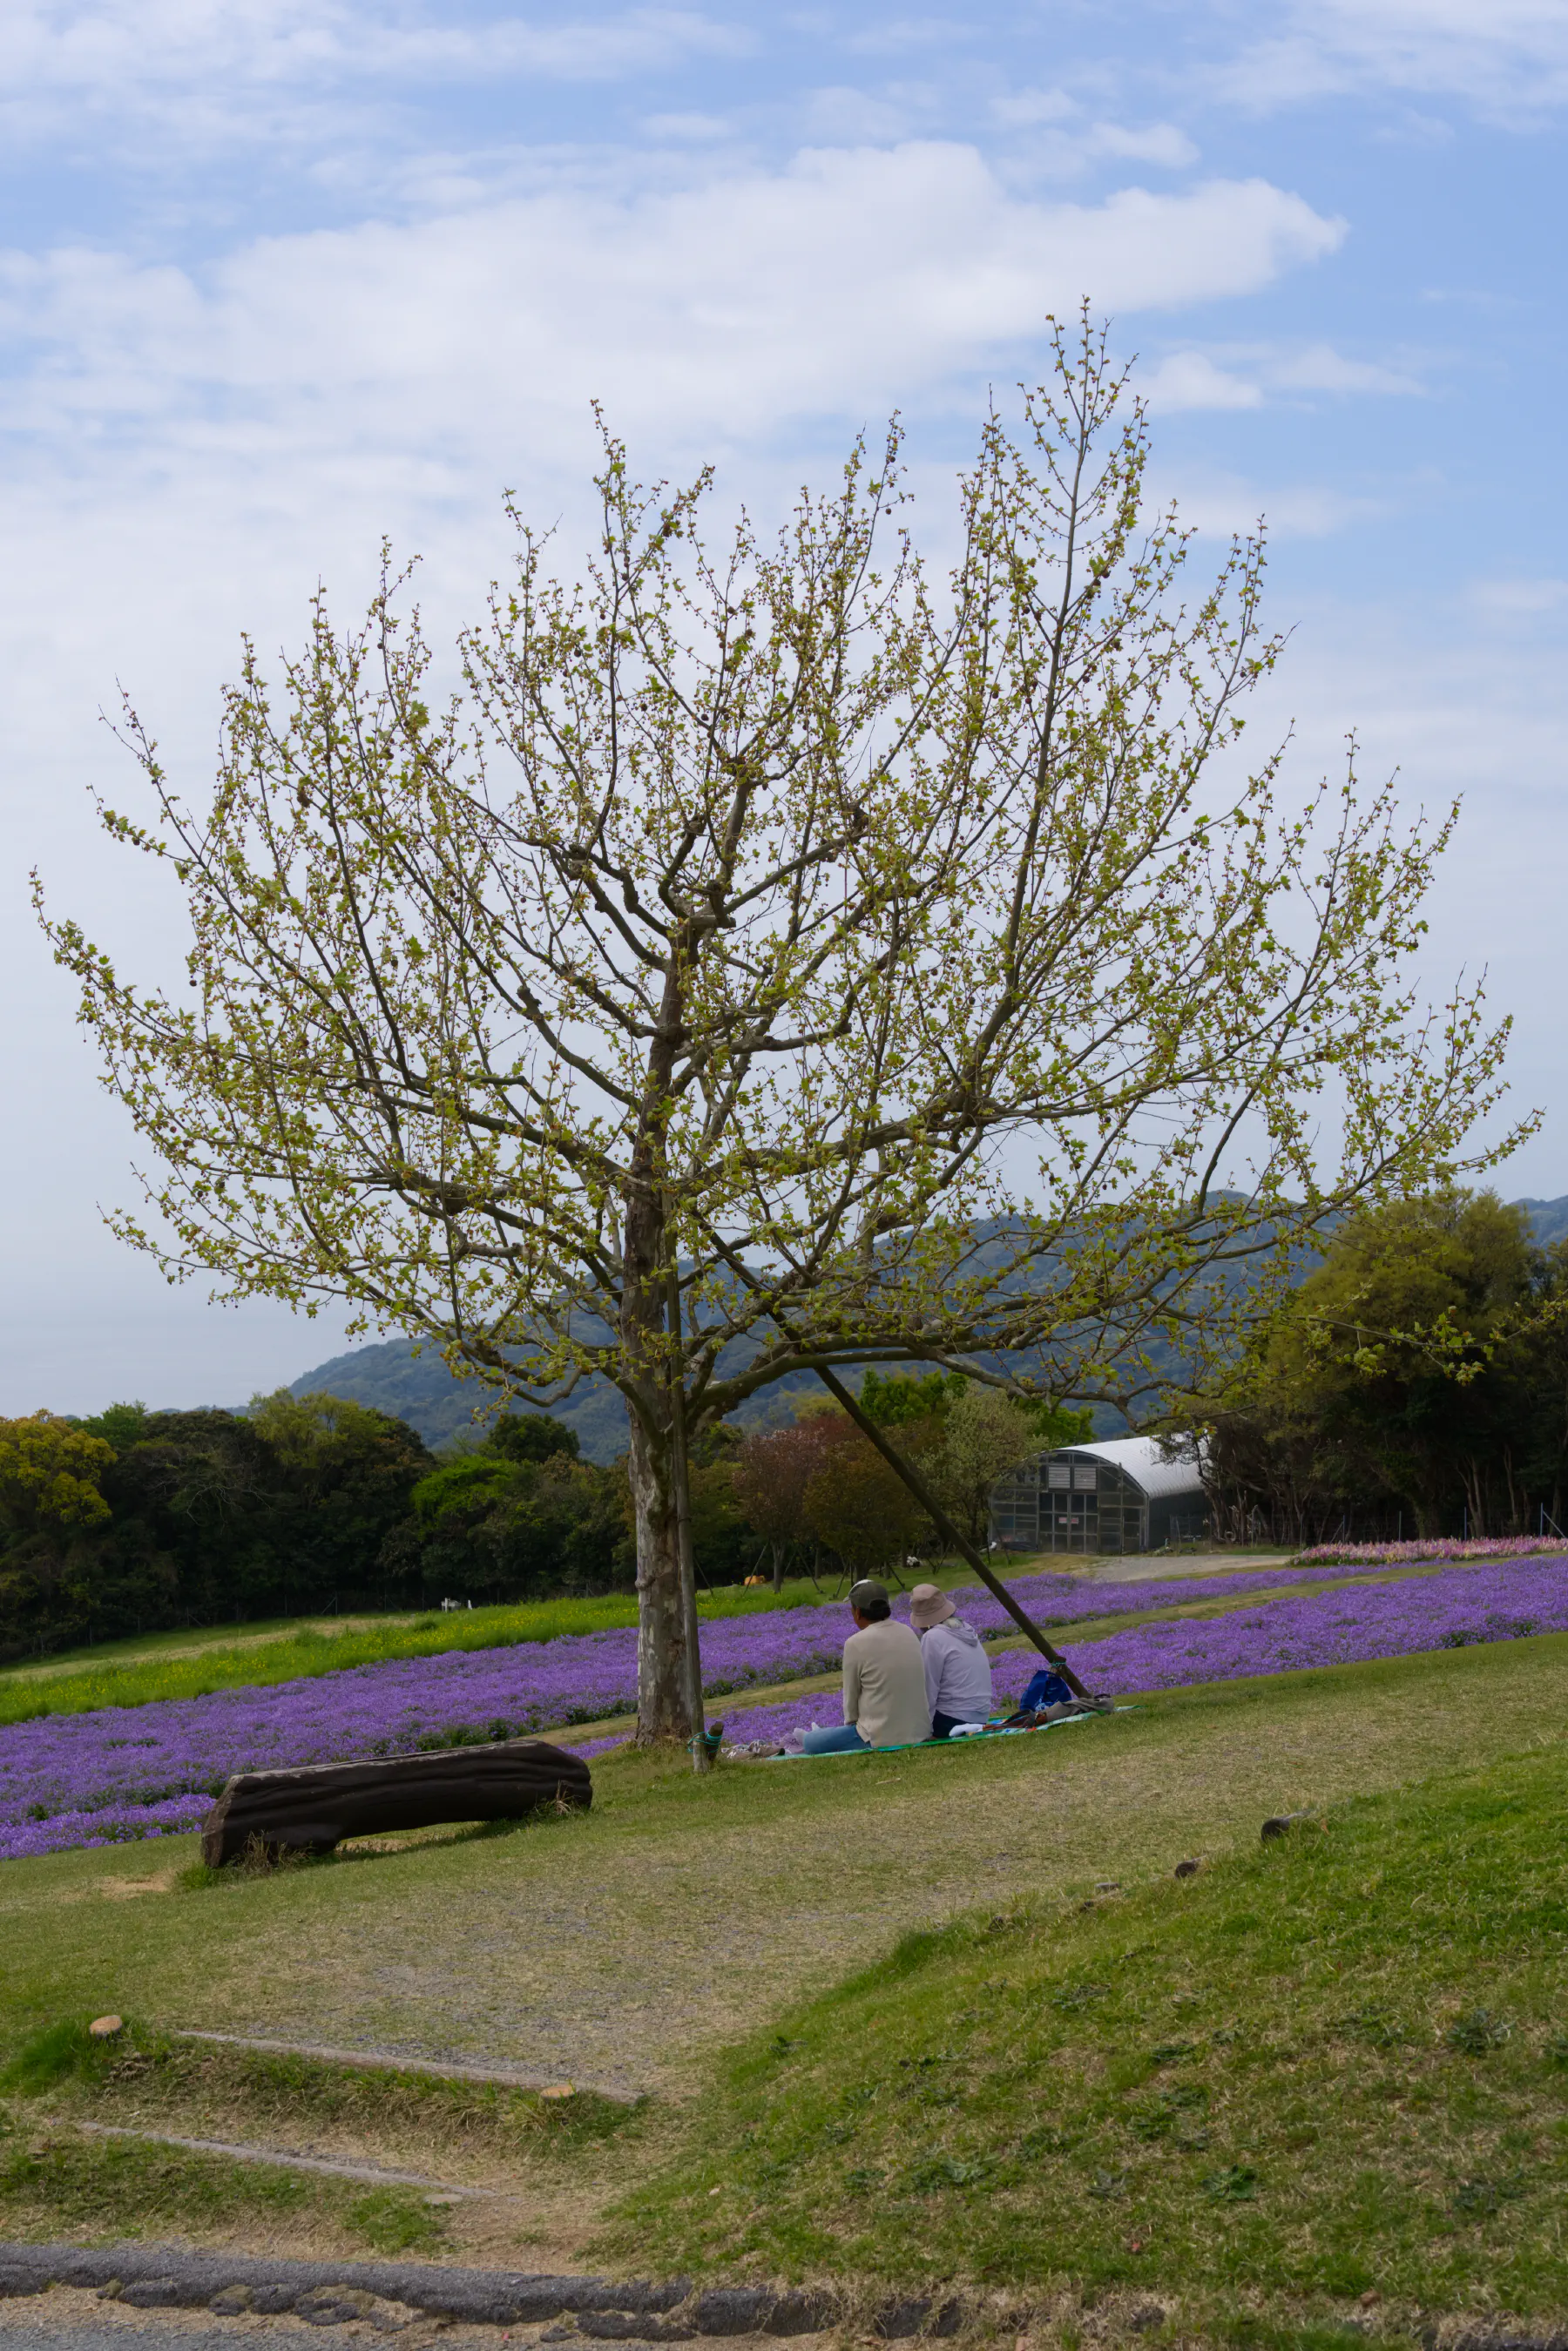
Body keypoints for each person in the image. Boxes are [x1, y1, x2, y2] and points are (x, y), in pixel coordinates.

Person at [800, 1579, 932, 1754]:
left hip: (879, 1737)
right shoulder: (907, 1631)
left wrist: (852, 1728)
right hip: (919, 1732)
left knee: (810, 1742)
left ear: (858, 1612)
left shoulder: (855, 1643)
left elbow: (851, 1706)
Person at [909, 1582, 994, 1738]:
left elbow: (928, 1688)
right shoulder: (965, 1628)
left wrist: (923, 1729)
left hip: (952, 1720)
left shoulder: (932, 1637)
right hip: (980, 1716)